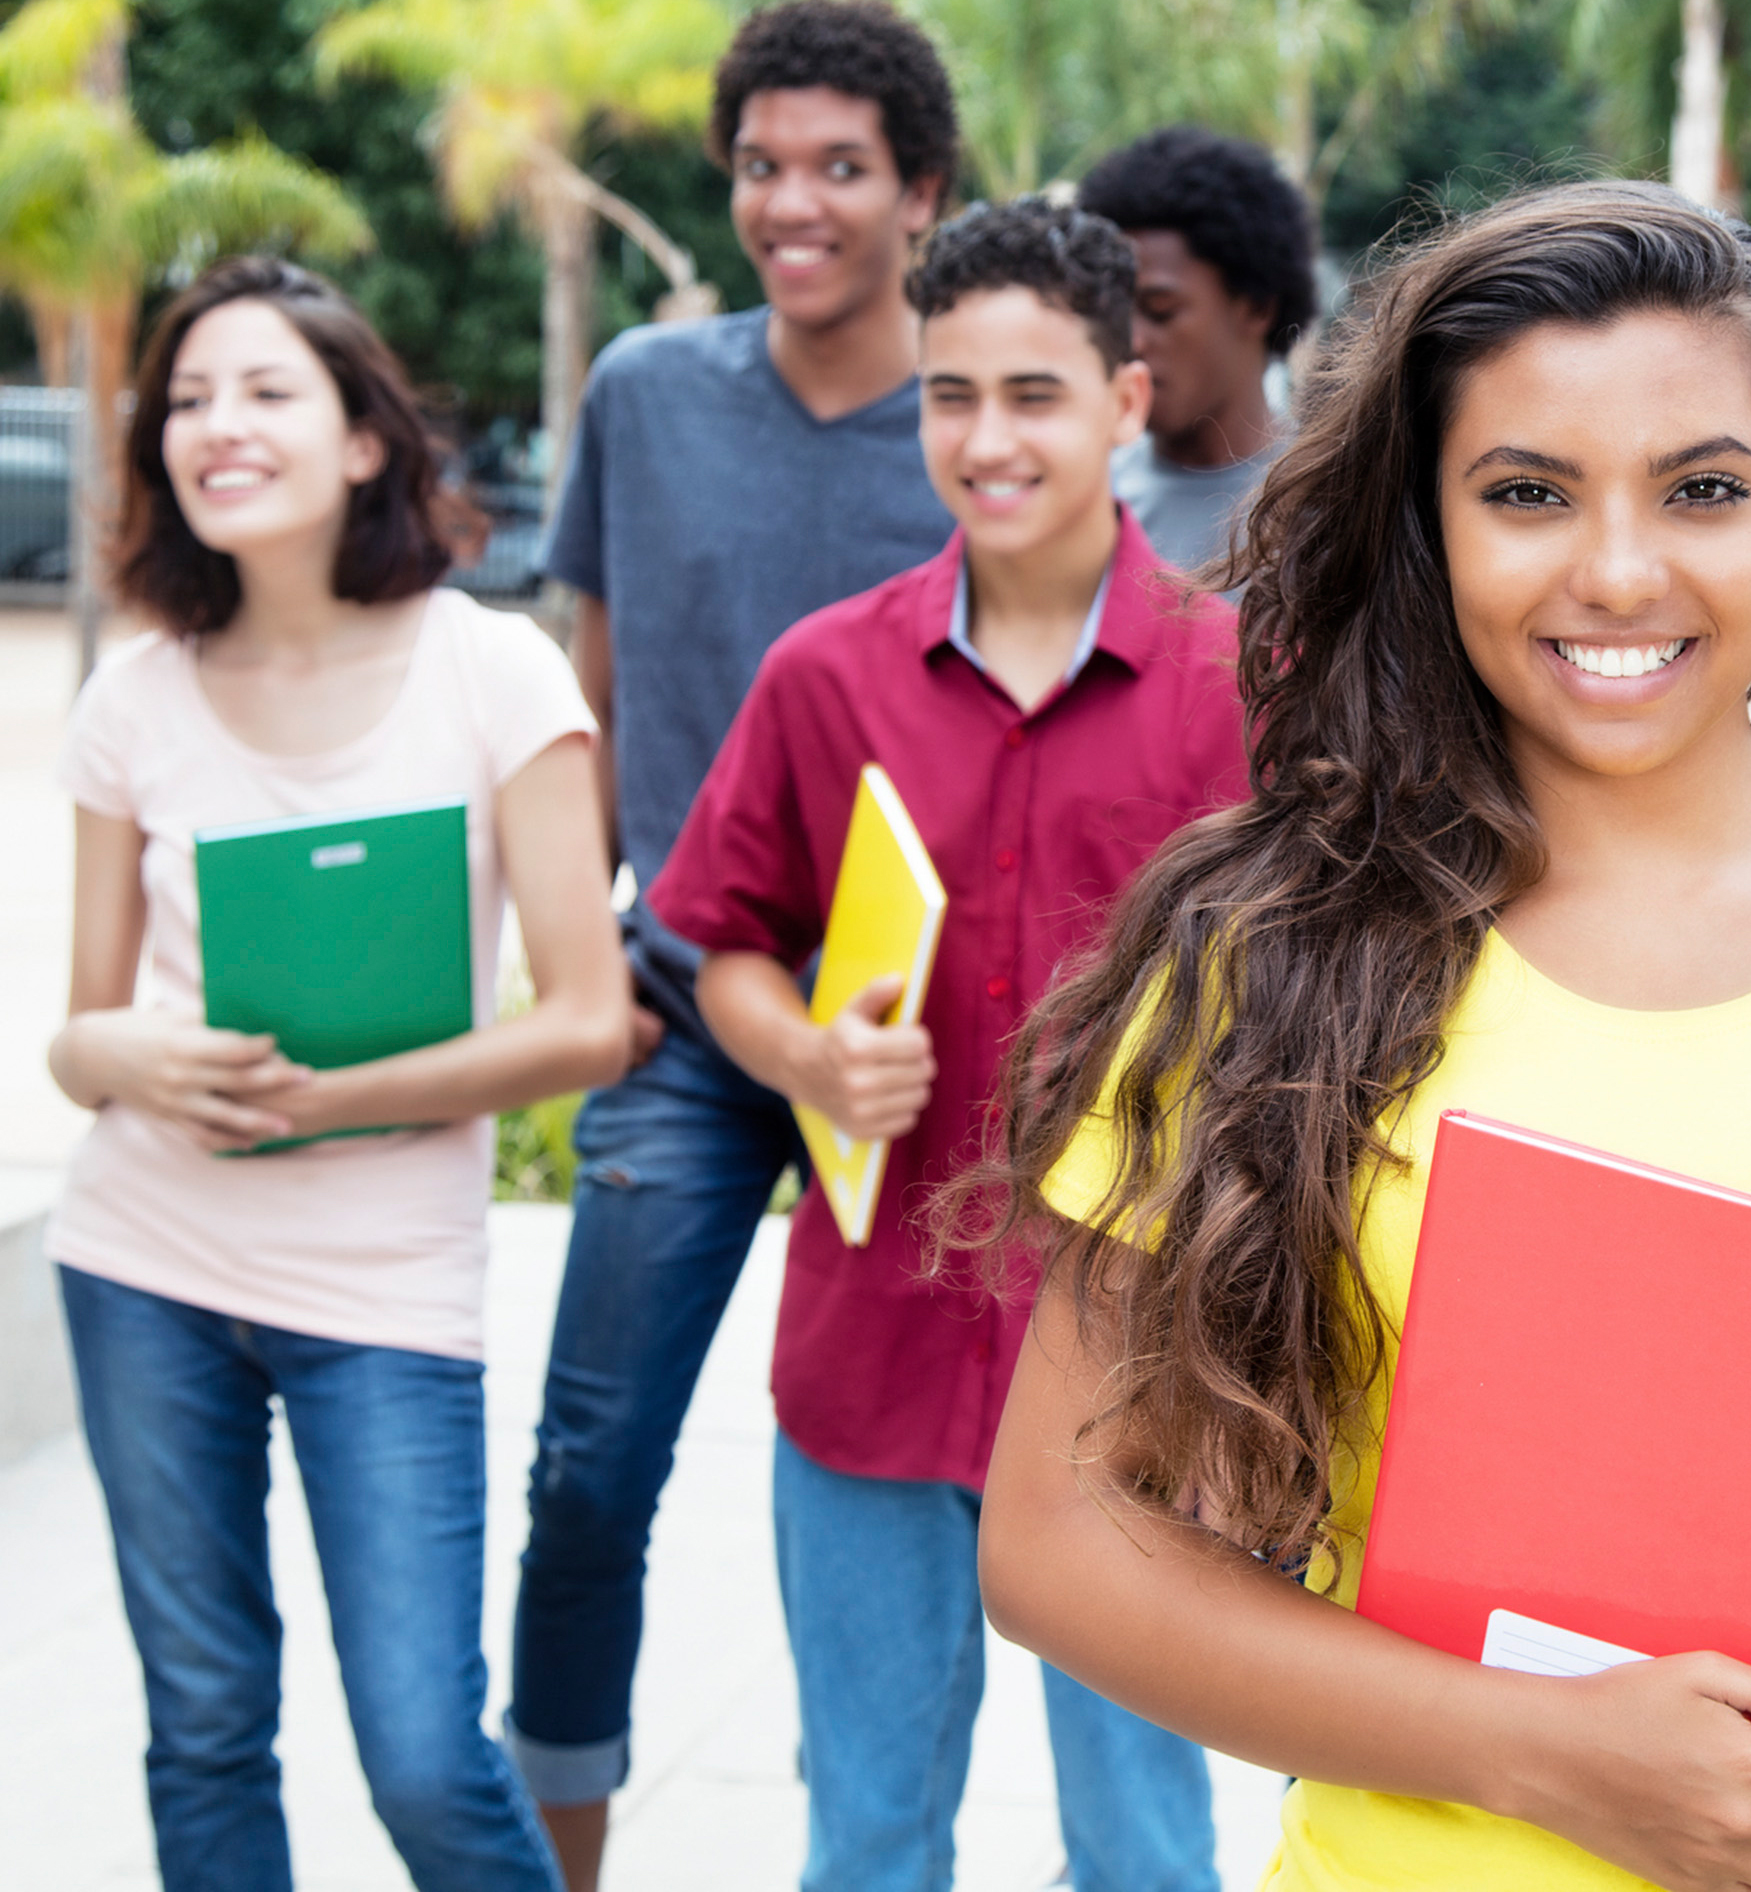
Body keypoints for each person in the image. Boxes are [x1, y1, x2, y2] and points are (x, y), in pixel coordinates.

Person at [954, 182, 1751, 1892]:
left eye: (1700, 489)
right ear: (1429, 530)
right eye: (1525, 493)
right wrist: (1545, 1755)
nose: (1618, 569)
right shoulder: (1268, 956)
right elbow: (1056, 1542)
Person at [649, 197, 1243, 1892]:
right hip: (873, 1354)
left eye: (1033, 395)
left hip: (1138, 1371)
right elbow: (725, 947)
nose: (986, 440)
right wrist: (808, 1054)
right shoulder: (822, 678)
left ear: (1125, 404)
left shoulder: (1237, 681)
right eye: (948, 395)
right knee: (866, 1838)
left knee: (1144, 1849)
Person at [44, 256, 629, 1892]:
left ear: (364, 439)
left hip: (385, 1292)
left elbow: (588, 1015)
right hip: (143, 1264)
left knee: (429, 1759)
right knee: (208, 1721)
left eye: (263, 390)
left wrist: (332, 1098)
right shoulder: (130, 698)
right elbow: (77, 1037)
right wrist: (134, 1056)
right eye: (187, 400)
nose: (216, 424)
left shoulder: (490, 671)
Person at [503, 6, 960, 1881]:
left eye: (839, 167)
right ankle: (560, 1858)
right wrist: (580, 952)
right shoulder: (644, 388)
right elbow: (575, 691)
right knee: (591, 1468)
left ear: (921, 195)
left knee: (898, 1482)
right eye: (763, 165)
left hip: (924, 1031)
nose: (794, 202)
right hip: (687, 1009)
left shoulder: (978, 421)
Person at [1075, 124, 1317, 572]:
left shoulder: (1333, 508)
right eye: (1110, 311)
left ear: (1257, 307)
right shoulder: (1081, 504)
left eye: (1160, 310)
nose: (1129, 341)